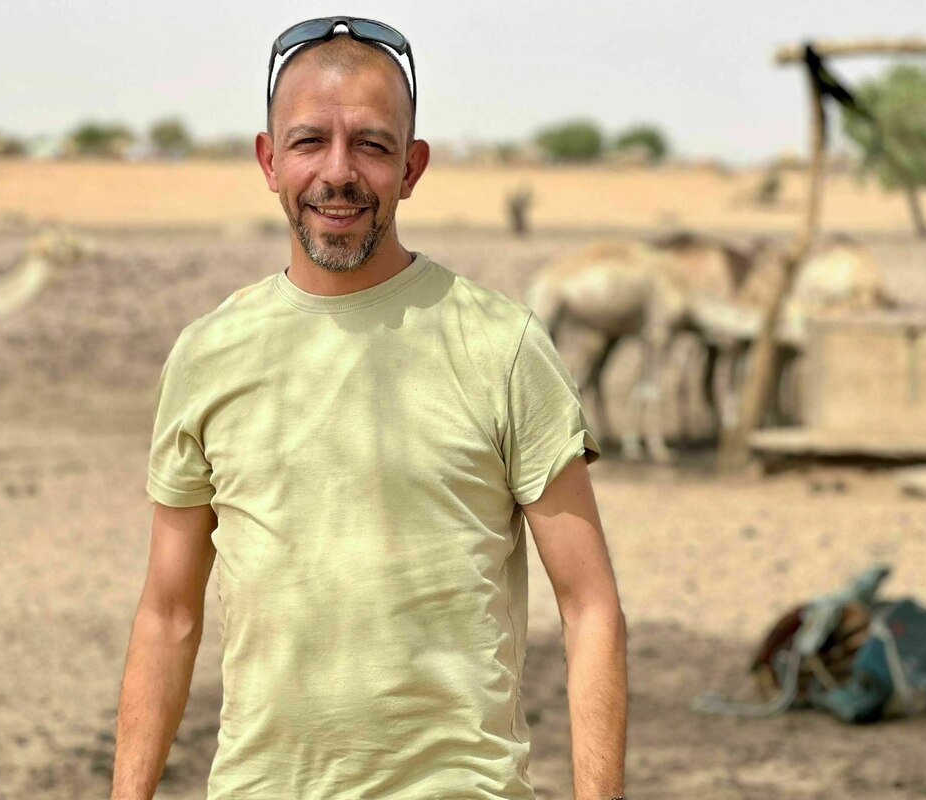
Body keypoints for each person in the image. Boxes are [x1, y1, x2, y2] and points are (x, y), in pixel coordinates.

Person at [111, 17, 627, 800]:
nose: (339, 172)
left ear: (412, 167)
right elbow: (167, 614)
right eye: (309, 142)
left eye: (372, 146)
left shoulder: (503, 346)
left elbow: (589, 608)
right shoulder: (208, 354)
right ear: (269, 161)